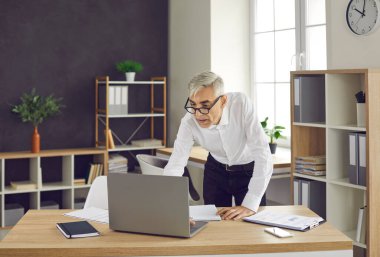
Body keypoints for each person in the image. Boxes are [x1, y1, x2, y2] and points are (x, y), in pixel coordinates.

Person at [164, 71, 273, 220]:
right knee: (212, 226)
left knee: (252, 225)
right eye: (193, 105)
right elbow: (176, 163)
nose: (198, 114)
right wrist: (173, 207)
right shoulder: (188, 121)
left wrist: (250, 204)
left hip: (248, 170)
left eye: (205, 105)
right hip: (215, 171)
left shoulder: (241, 104)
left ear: (222, 101)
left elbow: (262, 153)